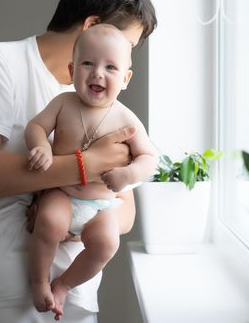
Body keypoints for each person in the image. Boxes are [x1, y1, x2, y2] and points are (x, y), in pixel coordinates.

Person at [0, 0, 157, 322]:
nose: (123, 59)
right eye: (128, 44)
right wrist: (85, 166)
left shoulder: (110, 108)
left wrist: (77, 217)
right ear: (92, 25)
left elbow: (125, 211)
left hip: (71, 300)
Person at [26, 23, 157, 319]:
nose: (98, 72)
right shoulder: (63, 103)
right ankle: (39, 282)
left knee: (107, 244)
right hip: (64, 192)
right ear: (72, 70)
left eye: (111, 67)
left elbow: (149, 157)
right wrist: (42, 146)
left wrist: (129, 175)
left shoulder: (125, 117)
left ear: (125, 79)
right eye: (88, 63)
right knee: (48, 221)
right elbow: (36, 126)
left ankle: (63, 285)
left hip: (99, 205)